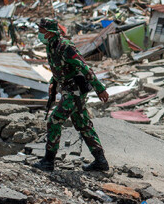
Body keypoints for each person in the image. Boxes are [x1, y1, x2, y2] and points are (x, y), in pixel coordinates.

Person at [32, 18, 111, 172]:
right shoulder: (51, 47)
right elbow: (58, 69)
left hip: (74, 92)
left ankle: (48, 161)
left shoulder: (65, 46)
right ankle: (101, 161)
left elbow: (84, 67)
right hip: (68, 90)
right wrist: (52, 84)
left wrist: (99, 89)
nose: (39, 34)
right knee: (83, 125)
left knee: (54, 121)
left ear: (50, 32)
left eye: (42, 31)